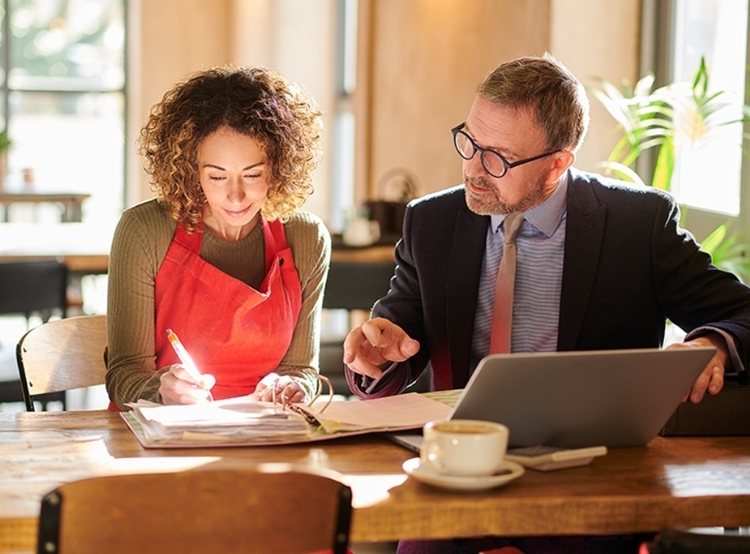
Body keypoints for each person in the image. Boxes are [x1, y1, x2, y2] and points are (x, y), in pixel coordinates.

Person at [342, 54, 750, 553]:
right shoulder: (432, 221)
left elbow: (742, 312)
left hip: (589, 476)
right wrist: (377, 352)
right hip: (459, 473)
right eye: (469, 142)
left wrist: (714, 342)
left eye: (497, 157)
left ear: (558, 163)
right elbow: (397, 334)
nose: (473, 169)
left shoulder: (635, 224)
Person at [106, 66, 330, 410]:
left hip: (267, 435)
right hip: (164, 436)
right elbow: (122, 375)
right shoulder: (144, 231)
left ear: (279, 167)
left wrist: (292, 385)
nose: (236, 196)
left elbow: (302, 369)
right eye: (217, 176)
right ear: (191, 171)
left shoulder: (306, 239)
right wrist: (160, 389)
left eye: (253, 174)